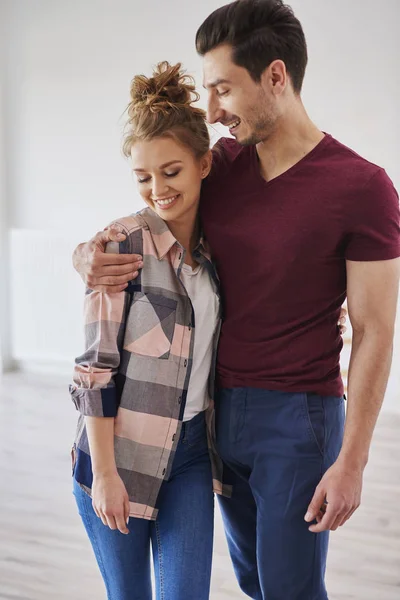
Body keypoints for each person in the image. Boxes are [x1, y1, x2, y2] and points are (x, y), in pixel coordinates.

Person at [73, 1, 400, 599]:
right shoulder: (219, 166)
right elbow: (153, 214)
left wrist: (352, 461)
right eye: (209, 90)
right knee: (252, 580)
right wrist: (86, 257)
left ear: (276, 76)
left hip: (298, 415)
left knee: (290, 587)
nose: (214, 109)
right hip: (216, 415)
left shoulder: (363, 187)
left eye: (224, 89)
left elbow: (376, 328)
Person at [70, 61, 231, 600]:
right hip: (117, 456)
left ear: (204, 164)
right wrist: (106, 476)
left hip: (189, 454)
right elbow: (95, 371)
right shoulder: (120, 249)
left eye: (171, 171)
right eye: (143, 177)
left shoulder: (219, 251)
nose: (158, 189)